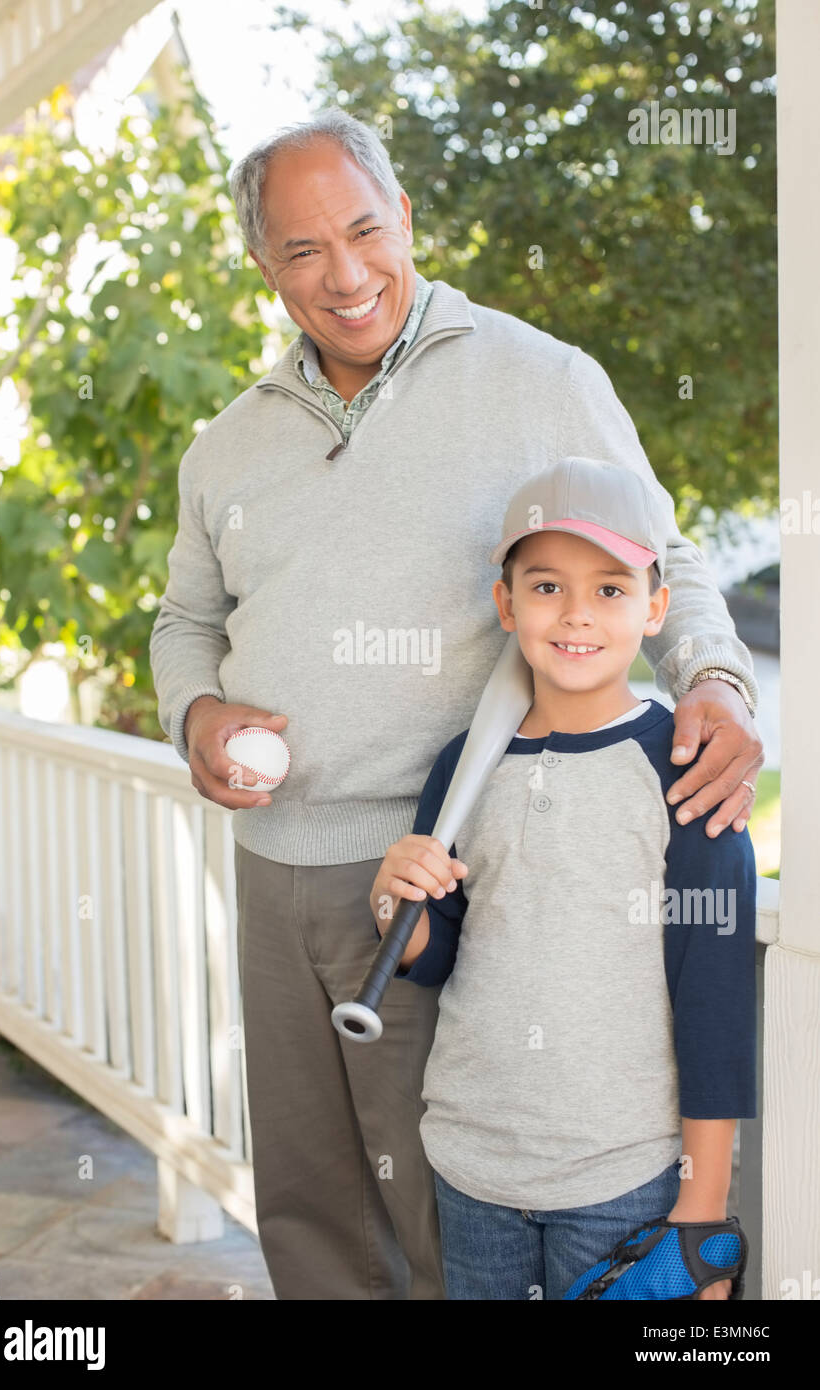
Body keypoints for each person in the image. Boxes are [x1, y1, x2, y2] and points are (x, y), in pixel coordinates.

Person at [148, 107, 763, 1300]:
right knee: (309, 1205)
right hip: (272, 864)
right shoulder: (225, 446)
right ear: (262, 265)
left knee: (438, 1220)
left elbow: (665, 556)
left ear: (406, 218)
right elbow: (184, 624)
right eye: (302, 251)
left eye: (365, 231)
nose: (345, 275)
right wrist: (194, 715)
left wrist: (717, 682)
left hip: (442, 863)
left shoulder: (539, 379)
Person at [370, 456, 757, 1300]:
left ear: (657, 609)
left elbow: (716, 1002)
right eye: (546, 587)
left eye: (611, 589)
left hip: (623, 1182)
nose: (577, 613)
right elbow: (440, 955)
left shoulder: (688, 775)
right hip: (473, 1167)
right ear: (506, 604)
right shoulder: (464, 768)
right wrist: (395, 907)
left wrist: (703, 1213)